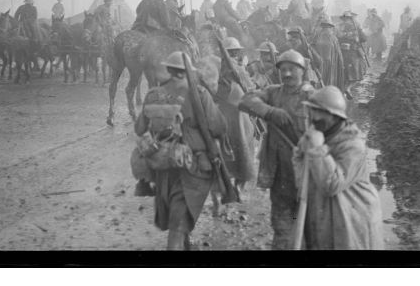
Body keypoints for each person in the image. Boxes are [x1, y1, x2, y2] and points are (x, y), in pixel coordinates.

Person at [134, 51, 227, 250]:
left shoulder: (153, 93)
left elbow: (139, 129)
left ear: (169, 70)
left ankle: (184, 244)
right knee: (178, 225)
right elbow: (218, 127)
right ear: (188, 71)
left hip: (161, 163)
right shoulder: (199, 94)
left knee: (177, 215)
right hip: (191, 164)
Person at [238, 50, 314, 249]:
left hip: (304, 174)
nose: (287, 74)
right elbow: (245, 101)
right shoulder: (273, 92)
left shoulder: (312, 96)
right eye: (283, 70)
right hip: (279, 171)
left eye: (292, 69)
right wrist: (270, 111)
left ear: (302, 71)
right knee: (281, 222)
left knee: (301, 219)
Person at [292, 86, 384, 249]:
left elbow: (332, 185)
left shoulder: (353, 145)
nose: (314, 117)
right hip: (322, 207)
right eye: (312, 111)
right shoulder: (318, 132)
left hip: (352, 212)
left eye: (319, 111)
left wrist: (316, 149)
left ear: (334, 116)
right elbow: (299, 160)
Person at [215, 37, 257, 189]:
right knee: (245, 139)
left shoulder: (223, 65)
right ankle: (240, 181)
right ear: (235, 52)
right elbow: (247, 83)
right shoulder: (234, 65)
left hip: (225, 104)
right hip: (237, 103)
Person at [337, 11, 366, 98]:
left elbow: (337, 38)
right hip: (353, 52)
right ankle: (347, 88)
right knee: (357, 72)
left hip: (342, 52)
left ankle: (343, 90)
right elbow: (363, 38)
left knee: (344, 73)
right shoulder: (356, 26)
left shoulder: (339, 26)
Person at [312, 17, 345, 90]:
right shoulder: (332, 37)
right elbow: (338, 52)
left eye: (327, 27)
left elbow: (312, 47)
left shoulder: (318, 36)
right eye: (325, 27)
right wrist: (341, 63)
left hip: (322, 62)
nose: (326, 29)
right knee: (326, 79)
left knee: (322, 79)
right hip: (327, 62)